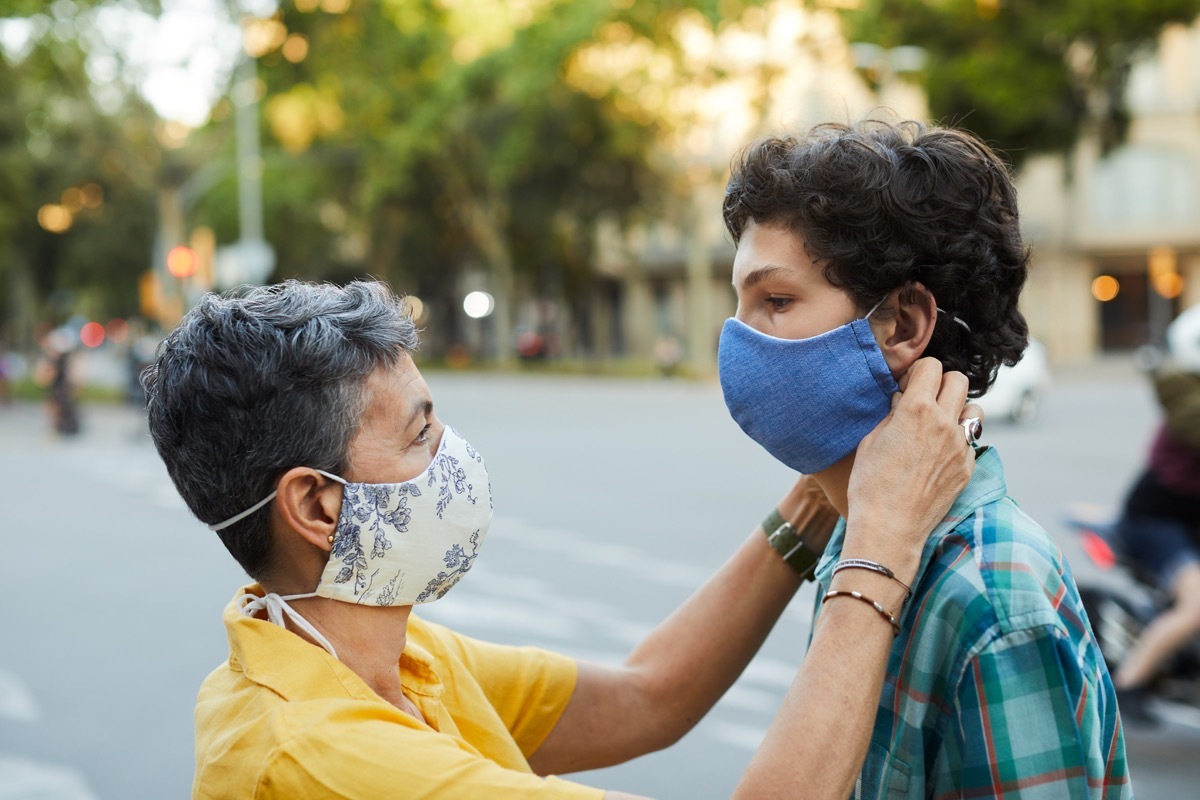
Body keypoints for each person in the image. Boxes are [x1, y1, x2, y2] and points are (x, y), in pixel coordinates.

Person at [142, 279, 980, 800]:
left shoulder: (377, 659)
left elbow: (650, 695)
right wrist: (883, 537)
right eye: (420, 433)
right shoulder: (319, 758)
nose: (454, 457)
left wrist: (821, 497)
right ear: (319, 508)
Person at [717, 119, 1130, 798]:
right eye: (739, 303)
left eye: (777, 301)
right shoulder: (864, 540)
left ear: (902, 325)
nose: (735, 339)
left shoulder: (991, 596)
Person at [1111, 305, 1200, 723]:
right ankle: (1126, 687)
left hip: (1186, 519)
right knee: (1195, 606)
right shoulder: (1190, 399)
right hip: (1156, 521)